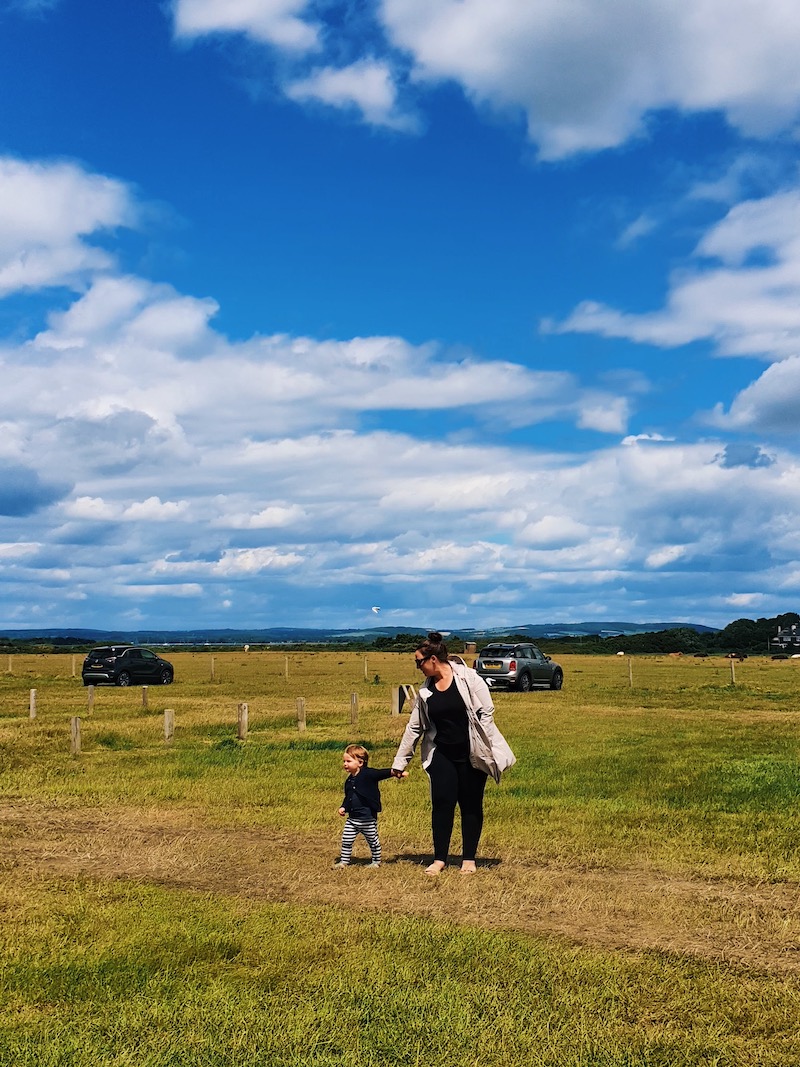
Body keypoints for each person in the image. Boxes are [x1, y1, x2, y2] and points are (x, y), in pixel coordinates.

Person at [391, 631, 515, 875]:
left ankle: (469, 859)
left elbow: (487, 711)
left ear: (433, 660)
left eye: (419, 662)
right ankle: (439, 859)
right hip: (442, 755)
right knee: (442, 804)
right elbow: (414, 727)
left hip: (472, 754)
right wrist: (400, 761)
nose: (418, 667)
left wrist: (483, 745)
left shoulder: (469, 678)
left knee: (470, 805)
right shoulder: (426, 690)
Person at [335, 744, 407, 868]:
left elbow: (381, 773)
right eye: (344, 761)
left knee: (373, 841)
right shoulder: (349, 781)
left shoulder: (368, 774)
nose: (345, 764)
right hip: (352, 819)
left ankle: (376, 861)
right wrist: (344, 807)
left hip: (367, 818)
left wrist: (394, 772)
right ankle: (344, 861)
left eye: (348, 761)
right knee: (346, 840)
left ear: (360, 762)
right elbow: (349, 797)